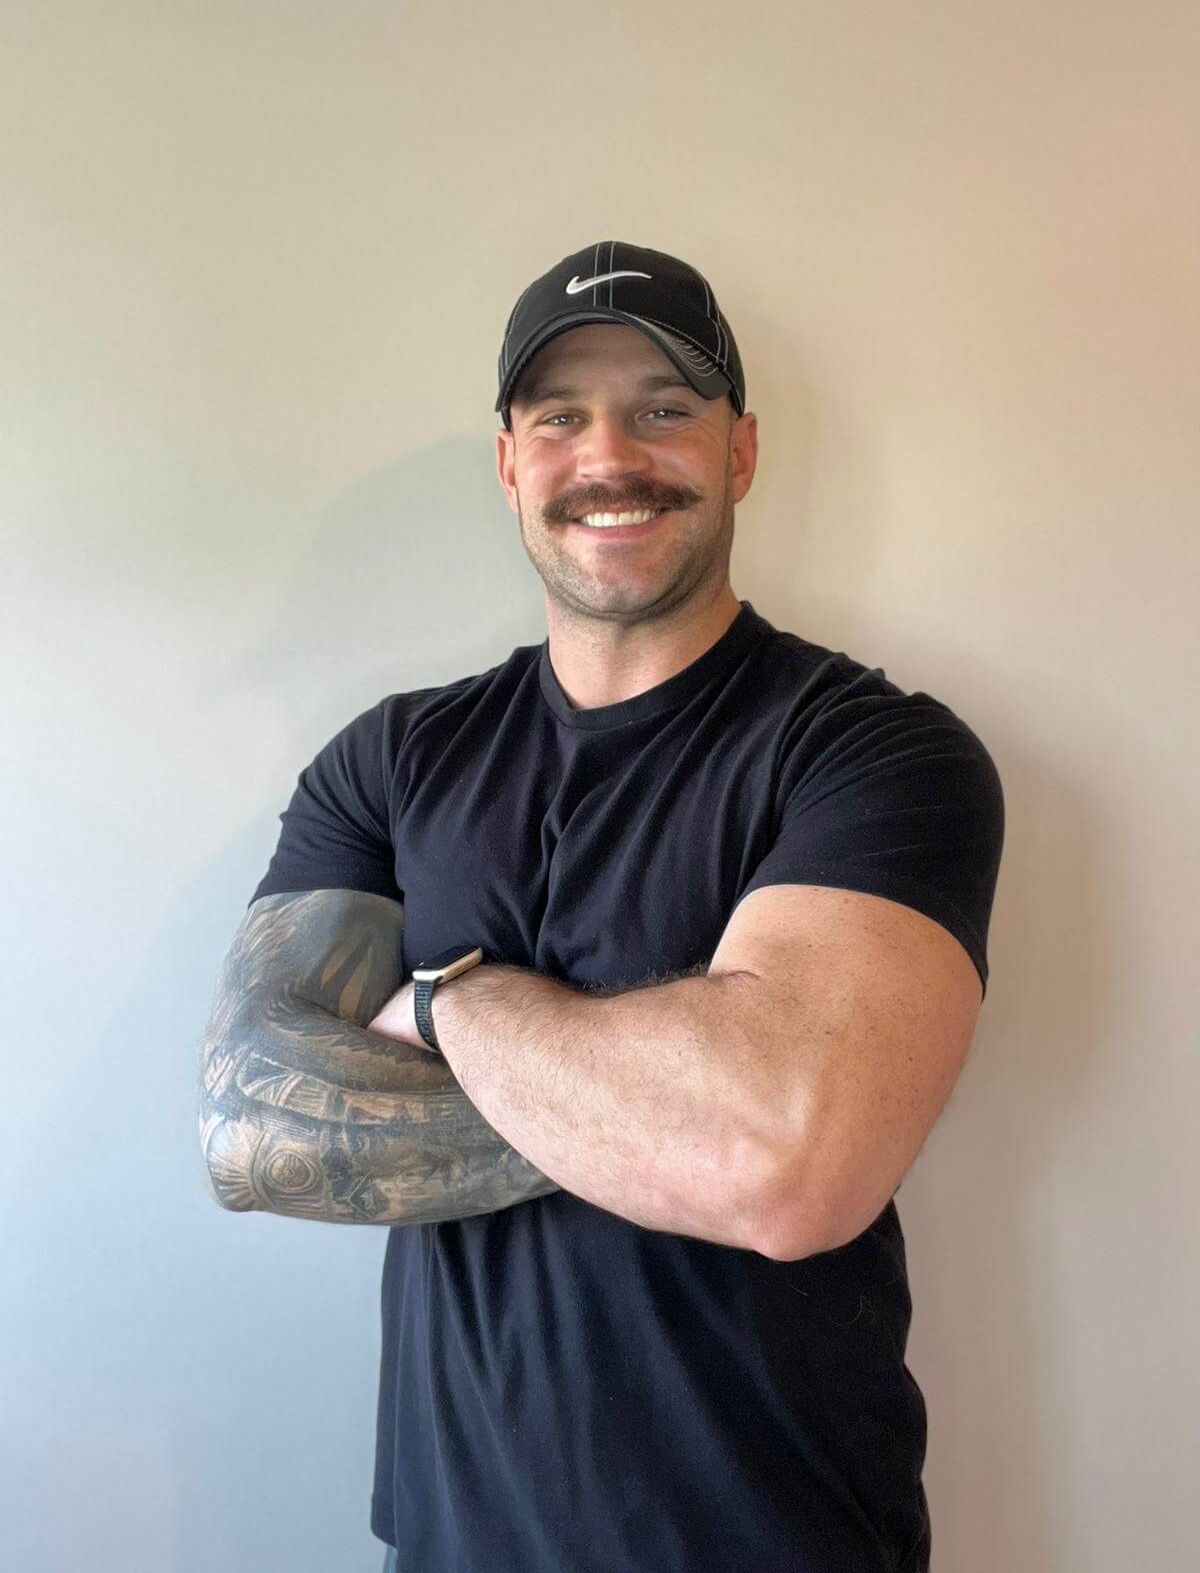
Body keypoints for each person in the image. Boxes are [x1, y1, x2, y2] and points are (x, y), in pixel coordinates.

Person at [199, 239, 1005, 1573]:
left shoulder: (872, 753)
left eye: (665, 408)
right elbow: (250, 1128)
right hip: (455, 1537)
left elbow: (791, 1170)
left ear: (739, 452)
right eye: (561, 416)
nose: (610, 456)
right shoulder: (392, 760)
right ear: (511, 463)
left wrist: (448, 1002)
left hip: (777, 1537)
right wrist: (685, 1103)